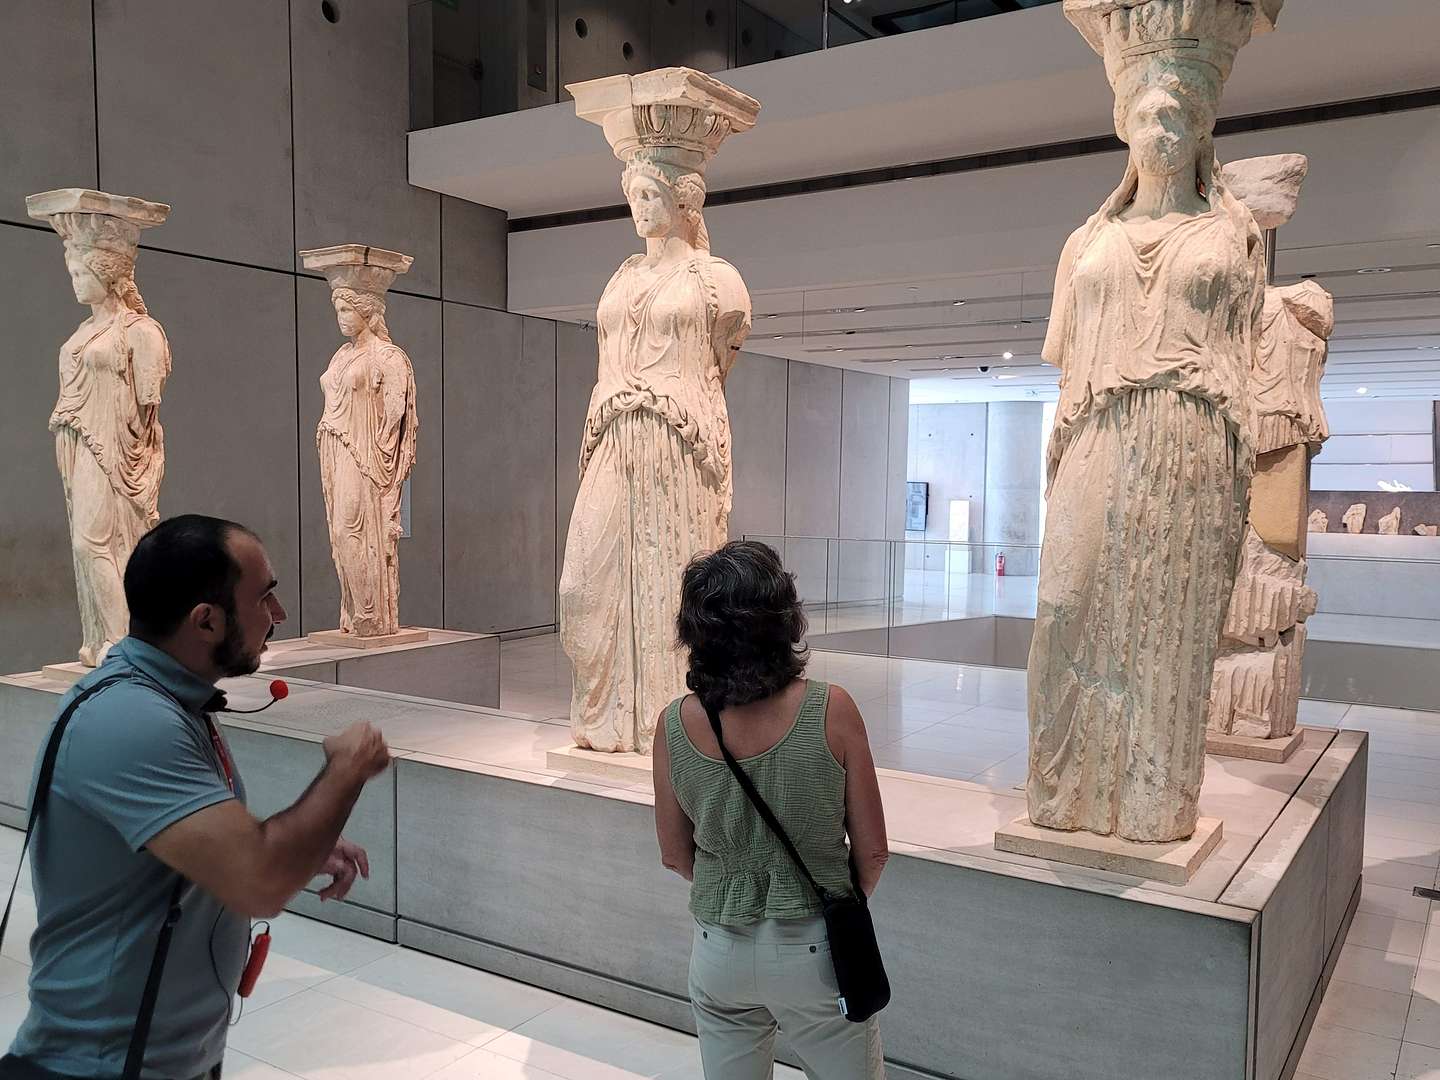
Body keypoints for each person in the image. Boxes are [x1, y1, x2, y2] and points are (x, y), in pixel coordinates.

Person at [1, 515, 391, 1080]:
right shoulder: (131, 718)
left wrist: (303, 844)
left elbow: (193, 844)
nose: (278, 617)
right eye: (265, 598)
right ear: (205, 621)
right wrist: (347, 768)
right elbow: (260, 883)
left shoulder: (168, 701)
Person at [652, 540, 890, 1080]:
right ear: (785, 622)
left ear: (695, 633)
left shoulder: (674, 725)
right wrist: (830, 896)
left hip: (719, 947)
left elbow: (673, 854)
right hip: (814, 945)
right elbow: (873, 850)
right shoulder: (832, 709)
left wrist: (733, 880)